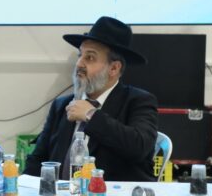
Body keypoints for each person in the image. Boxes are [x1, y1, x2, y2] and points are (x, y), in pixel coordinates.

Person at [24, 16, 158, 181]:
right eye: (80, 55)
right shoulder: (61, 105)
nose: (79, 64)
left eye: (90, 58)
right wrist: (22, 187)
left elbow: (139, 147)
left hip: (114, 194)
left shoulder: (138, 101)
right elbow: (38, 159)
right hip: (62, 194)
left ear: (114, 68)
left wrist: (91, 115)